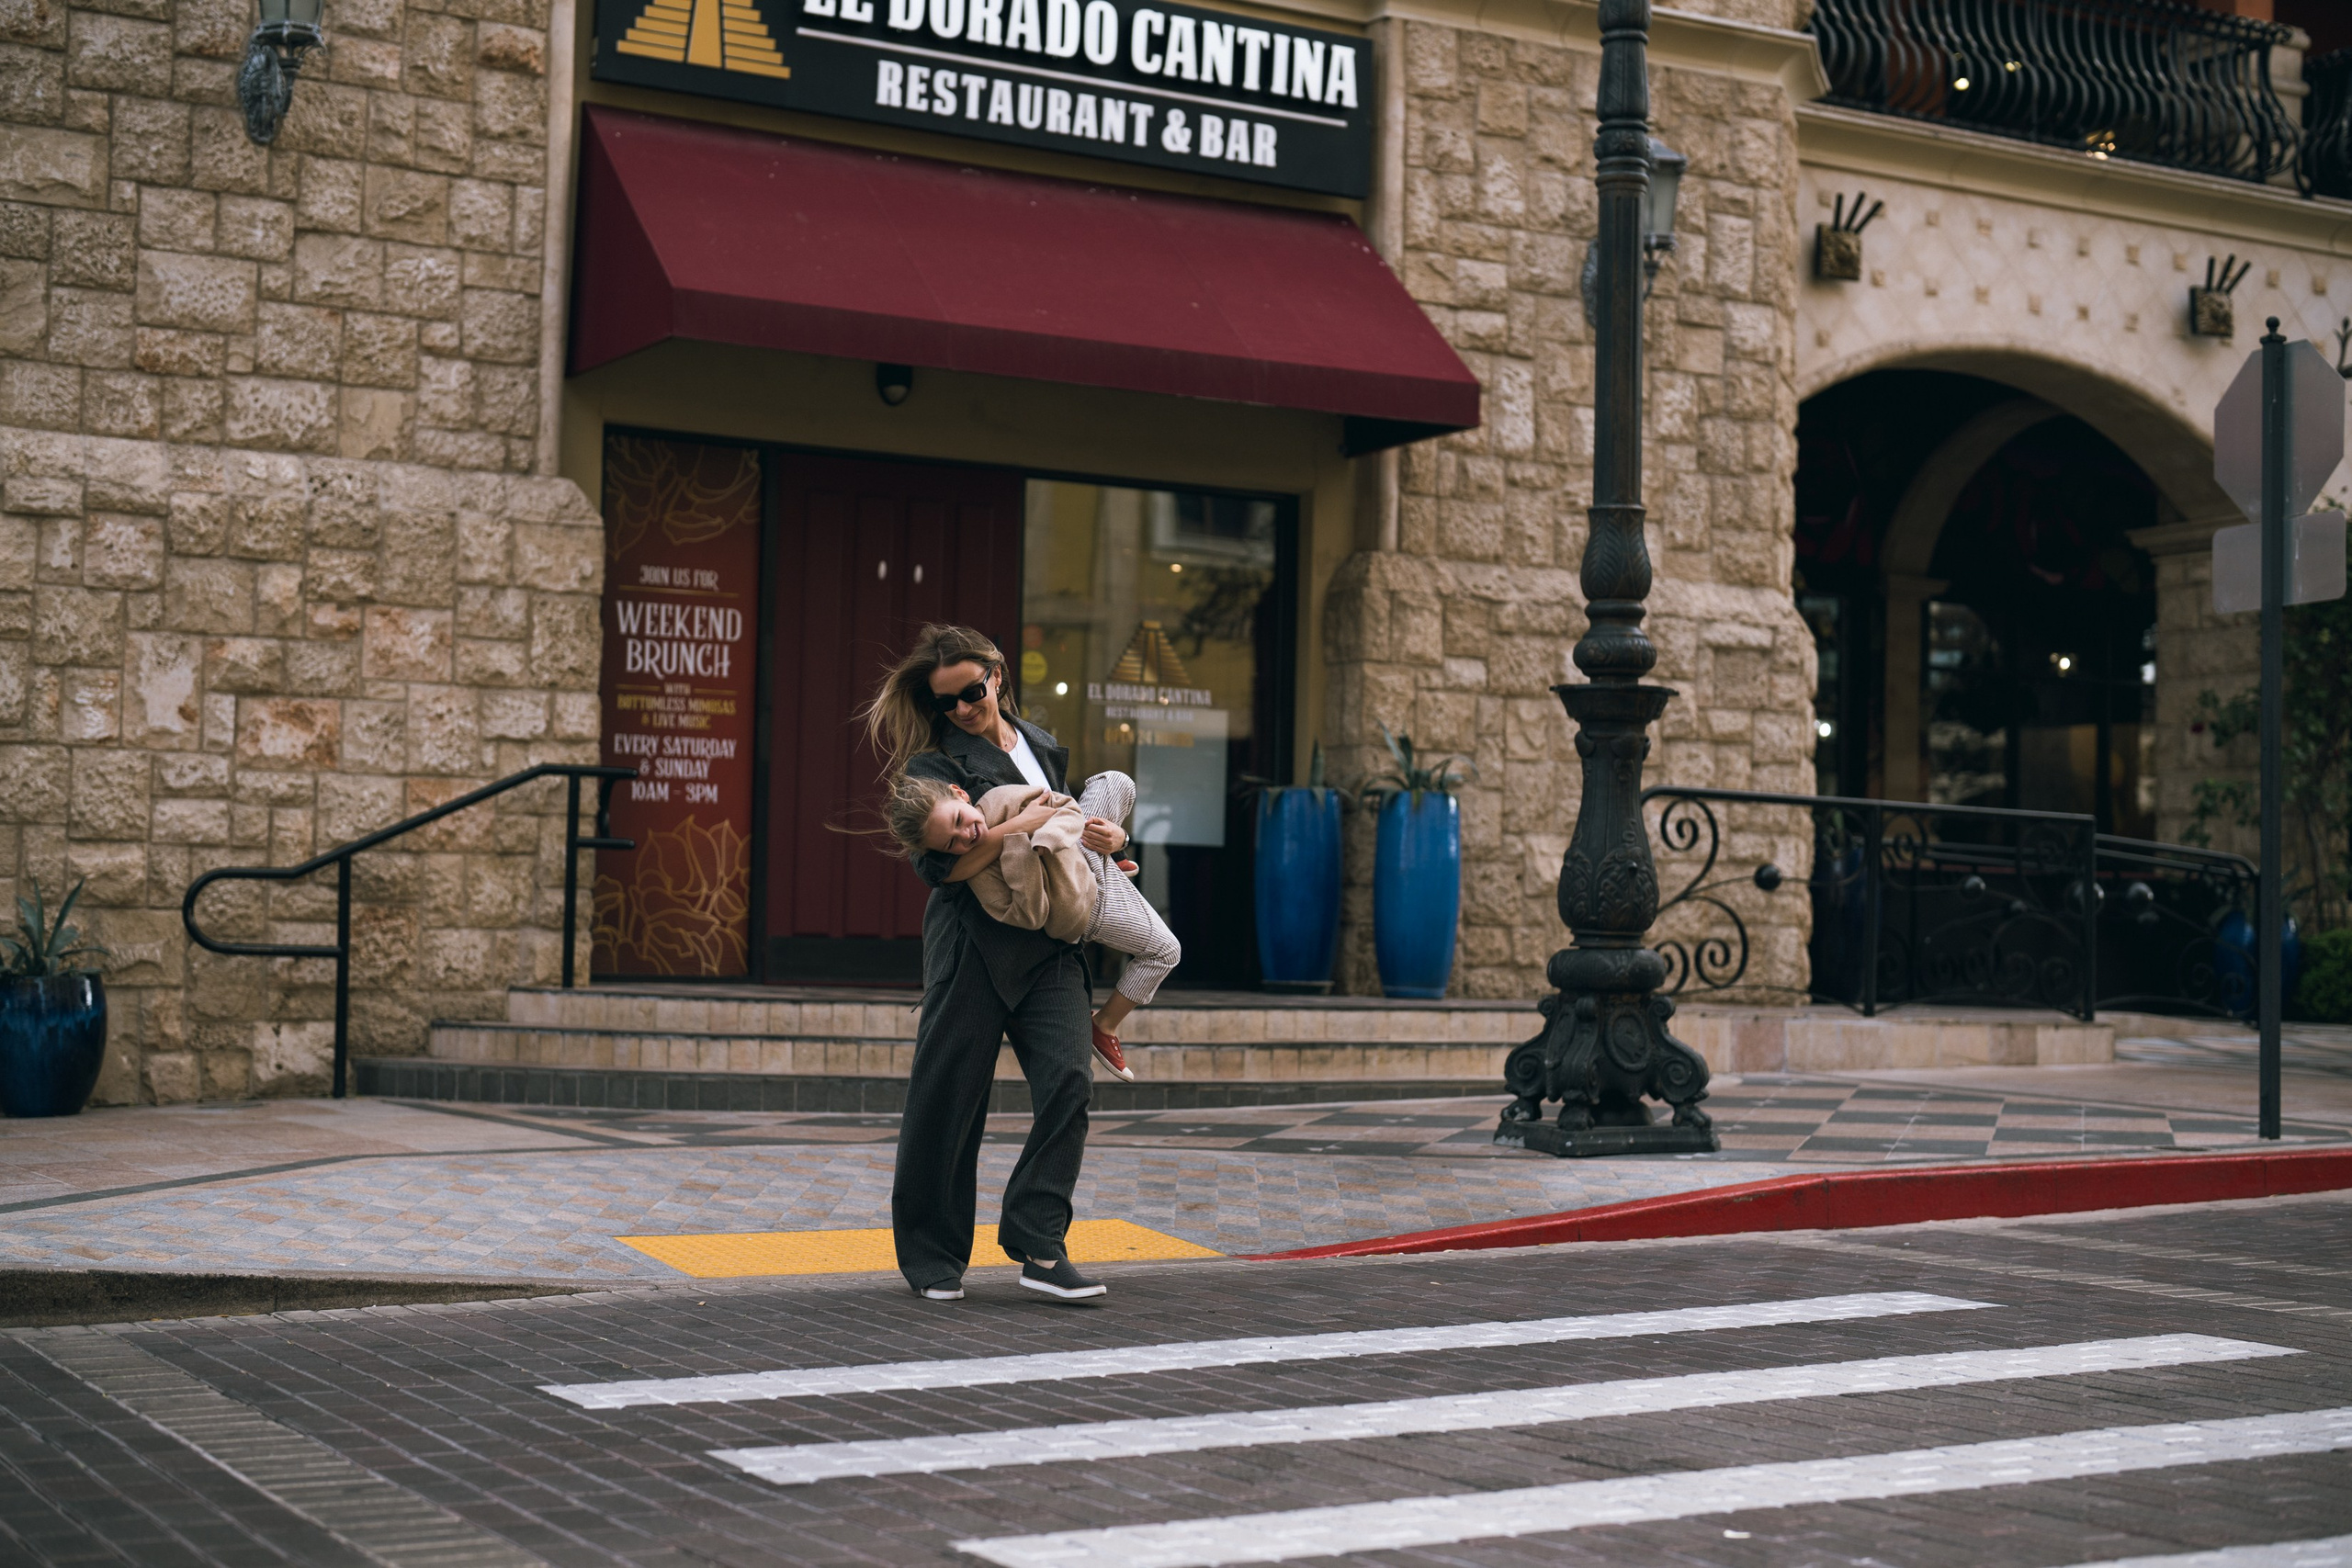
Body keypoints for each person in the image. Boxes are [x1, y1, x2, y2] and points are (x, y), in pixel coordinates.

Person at [856, 624, 1128, 1303]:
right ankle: (932, 1256)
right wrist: (1014, 829)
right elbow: (941, 867)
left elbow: (1065, 837)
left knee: (1069, 1081)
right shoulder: (935, 765)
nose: (962, 709)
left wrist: (1109, 841)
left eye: (972, 692)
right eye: (947, 701)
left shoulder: (1038, 744)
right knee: (949, 1101)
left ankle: (1038, 1240)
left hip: (1051, 944)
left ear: (997, 676)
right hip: (973, 948)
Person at [883, 769, 1182, 1081]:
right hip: (1087, 899)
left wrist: (1108, 838)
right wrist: (1019, 849)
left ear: (960, 794)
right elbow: (1032, 916)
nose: (966, 835)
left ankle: (1113, 857)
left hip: (1083, 848)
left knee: (1116, 781)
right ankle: (1104, 1025)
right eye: (951, 845)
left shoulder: (999, 798)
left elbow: (1063, 805)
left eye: (959, 820)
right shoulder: (980, 875)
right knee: (1166, 951)